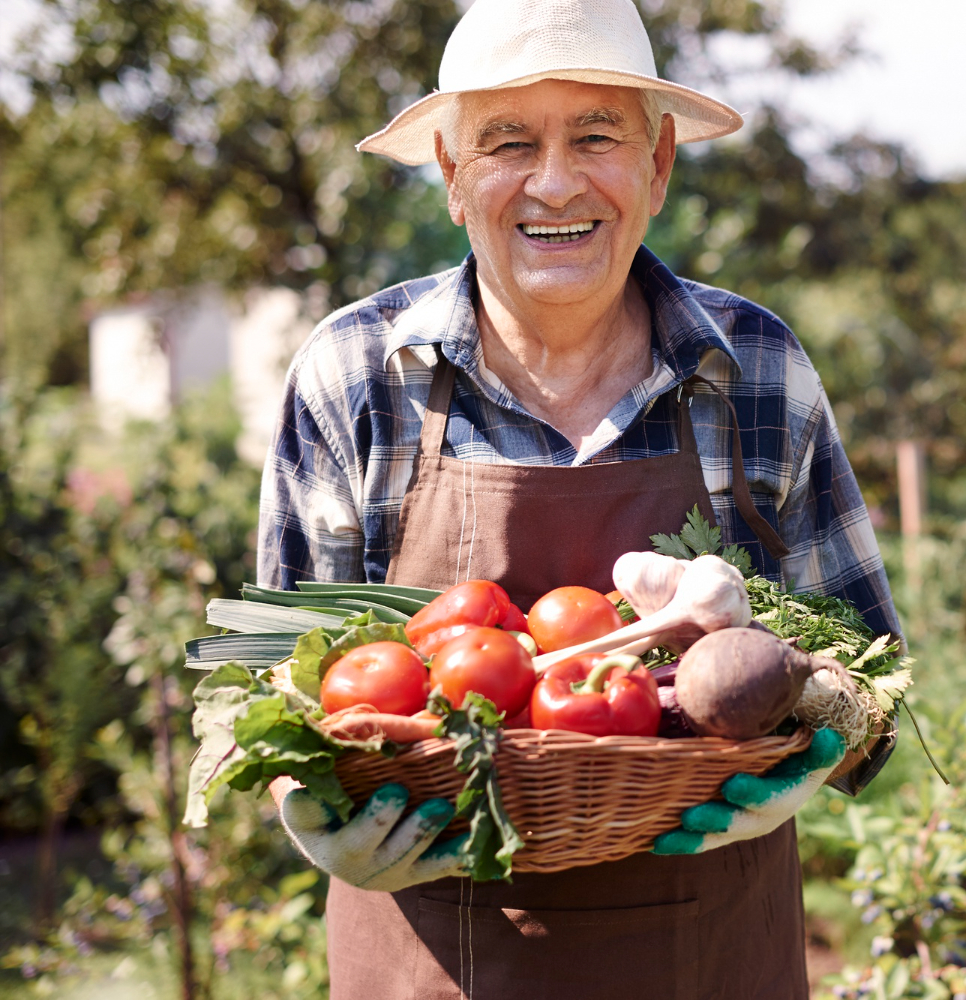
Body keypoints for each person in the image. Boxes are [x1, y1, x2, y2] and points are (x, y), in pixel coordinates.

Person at [257, 0, 898, 996]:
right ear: (452, 176)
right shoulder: (354, 375)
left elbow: (871, 674)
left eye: (595, 135)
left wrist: (817, 749)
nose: (554, 182)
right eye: (508, 142)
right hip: (427, 961)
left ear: (658, 165)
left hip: (713, 960)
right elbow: (279, 698)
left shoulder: (758, 371)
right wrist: (309, 813)